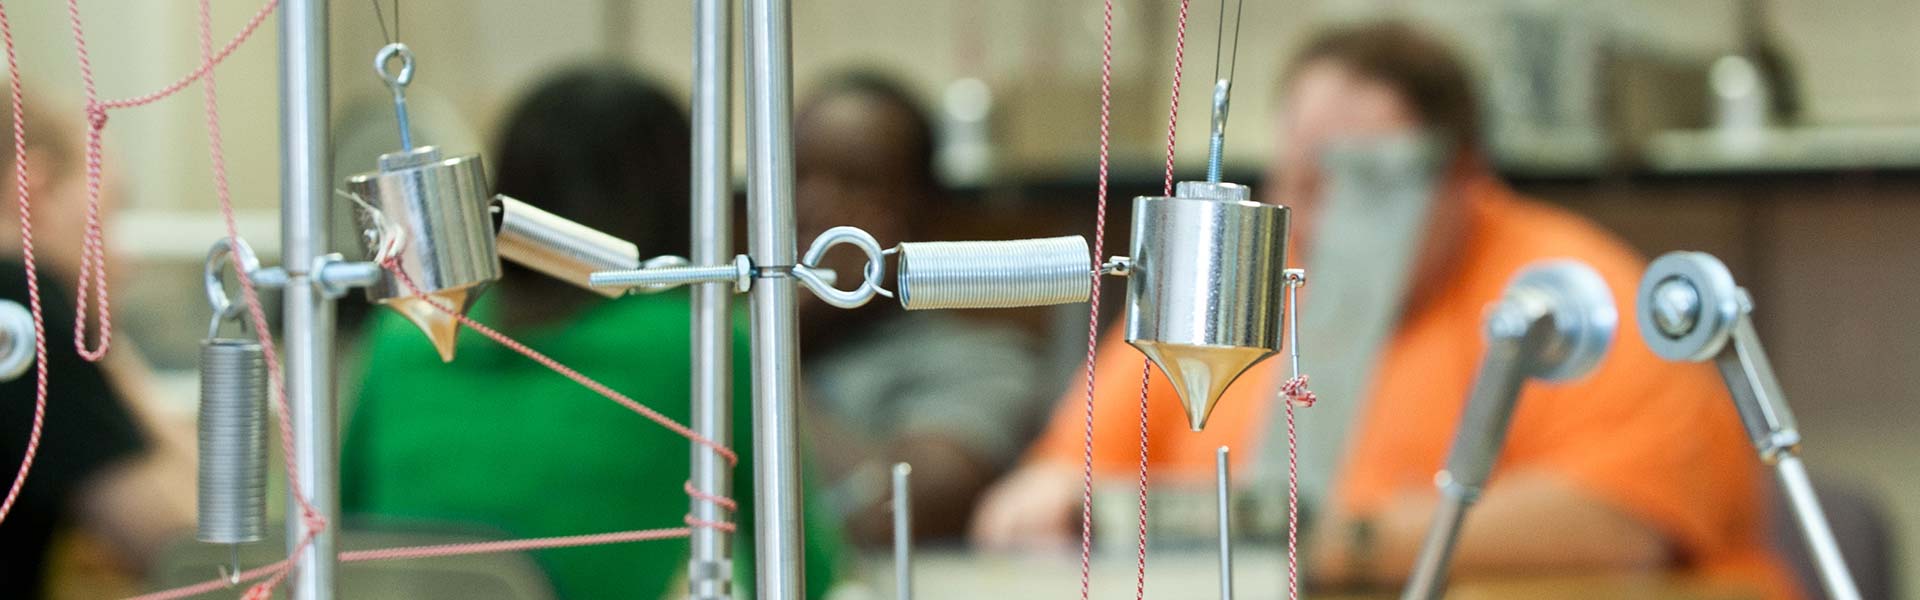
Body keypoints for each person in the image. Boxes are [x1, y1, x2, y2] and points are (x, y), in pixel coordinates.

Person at [971, 21, 1798, 598]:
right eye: (1299, 181)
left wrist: (1330, 545)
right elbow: (1069, 467)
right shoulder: (1250, 280)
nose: (1319, 221)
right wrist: (1051, 497)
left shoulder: (1575, 295)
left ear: (1462, 177)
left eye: (1363, 188)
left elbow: (1622, 525)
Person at [341, 64, 847, 598]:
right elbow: (801, 571)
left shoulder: (404, 332)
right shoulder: (701, 338)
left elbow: (342, 531)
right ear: (684, 190)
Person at [793, 71, 1054, 545]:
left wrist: (763, 356)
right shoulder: (710, 339)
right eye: (795, 177)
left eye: (853, 184)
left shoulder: (982, 362)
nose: (811, 206)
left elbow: (895, 514)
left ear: (919, 208)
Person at [0, 94, 195, 596]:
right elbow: (190, 544)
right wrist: (105, 347)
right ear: (35, 192)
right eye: (104, 220)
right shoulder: (22, 309)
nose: (122, 262)